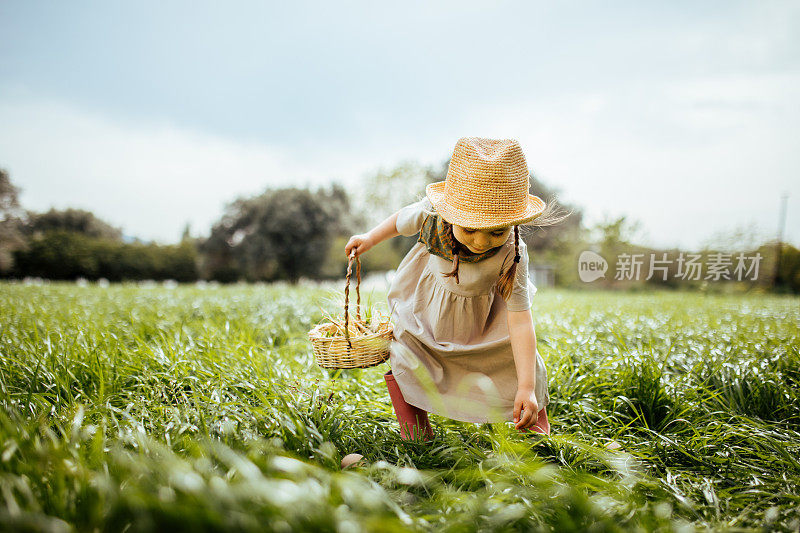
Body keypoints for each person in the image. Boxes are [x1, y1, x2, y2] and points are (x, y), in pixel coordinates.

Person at [345, 137, 566, 442]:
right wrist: (369, 238)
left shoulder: (513, 252)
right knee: (406, 356)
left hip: (485, 325)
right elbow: (399, 221)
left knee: (521, 369)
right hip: (427, 315)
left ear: (514, 222)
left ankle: (538, 436)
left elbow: (520, 319)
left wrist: (526, 387)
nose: (481, 241)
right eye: (470, 228)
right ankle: (417, 438)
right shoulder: (430, 217)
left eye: (496, 232)